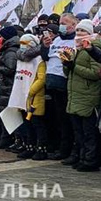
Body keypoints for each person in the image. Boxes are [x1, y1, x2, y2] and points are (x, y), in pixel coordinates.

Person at [62, 19, 101, 171]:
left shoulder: (94, 48)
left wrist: (74, 66)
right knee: (79, 131)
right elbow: (69, 73)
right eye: (78, 30)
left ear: (90, 33)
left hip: (88, 95)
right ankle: (82, 157)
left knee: (89, 132)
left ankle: (91, 160)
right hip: (76, 95)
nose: (79, 34)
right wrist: (66, 64)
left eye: (83, 31)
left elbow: (95, 73)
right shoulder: (76, 48)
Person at [40, 13, 77, 160]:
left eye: (65, 22)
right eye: (61, 22)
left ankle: (69, 149)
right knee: (58, 119)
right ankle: (60, 147)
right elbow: (46, 57)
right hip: (52, 82)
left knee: (67, 119)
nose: (62, 25)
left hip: (66, 83)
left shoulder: (75, 41)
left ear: (73, 25)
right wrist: (45, 46)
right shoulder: (57, 40)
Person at [0, 26, 20, 149]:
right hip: (5, 86)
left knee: (7, 114)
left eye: (1, 37)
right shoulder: (8, 50)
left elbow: (10, 69)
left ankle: (7, 139)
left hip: (9, 86)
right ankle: (3, 138)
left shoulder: (10, 52)